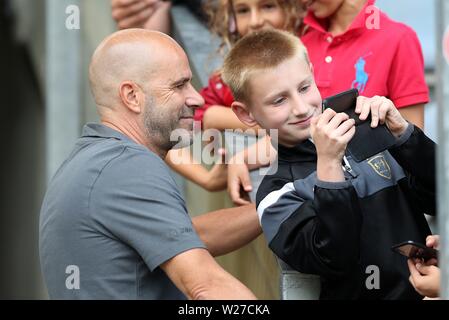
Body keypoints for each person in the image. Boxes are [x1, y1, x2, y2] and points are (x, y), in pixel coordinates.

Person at [39, 29, 261, 300]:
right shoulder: (128, 166)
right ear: (132, 96)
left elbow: (189, 236)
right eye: (179, 85)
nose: (197, 98)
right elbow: (208, 287)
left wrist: (282, 203)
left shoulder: (92, 161)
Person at [222, 29, 436, 299]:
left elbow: (439, 199)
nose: (301, 108)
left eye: (304, 87)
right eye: (279, 100)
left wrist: (405, 135)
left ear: (312, 73)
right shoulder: (275, 195)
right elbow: (336, 257)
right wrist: (329, 165)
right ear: (246, 113)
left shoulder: (367, 130)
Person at [226, 0, 431, 204]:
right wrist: (244, 158)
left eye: (305, 88)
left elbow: (410, 144)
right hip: (318, 202)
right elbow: (302, 132)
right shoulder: (302, 42)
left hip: (387, 200)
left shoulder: (397, 37)